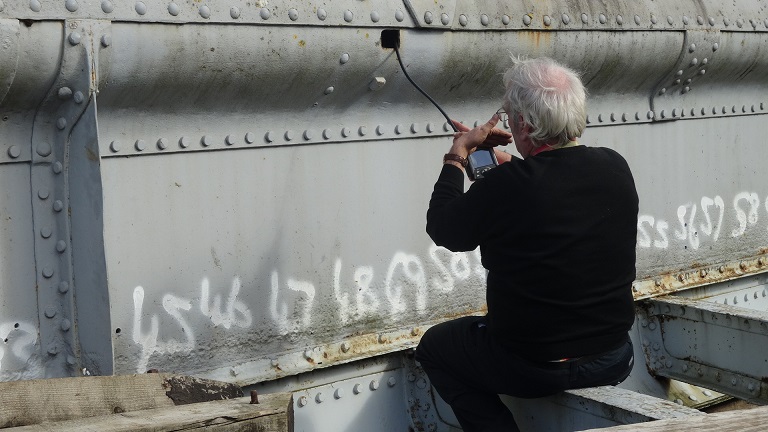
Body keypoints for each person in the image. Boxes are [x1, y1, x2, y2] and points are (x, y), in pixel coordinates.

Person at [416, 57, 638, 432]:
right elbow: (550, 186)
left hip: (532, 365)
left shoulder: (508, 187)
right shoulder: (615, 166)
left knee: (435, 348)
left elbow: (444, 228)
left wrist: (458, 154)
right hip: (614, 356)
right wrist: (508, 167)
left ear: (524, 123)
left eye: (508, 115)